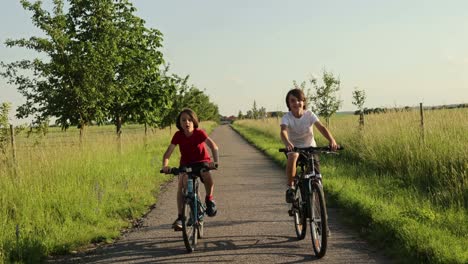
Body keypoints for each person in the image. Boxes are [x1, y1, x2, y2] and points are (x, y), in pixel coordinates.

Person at [162, 108, 219, 231]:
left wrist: (215, 163)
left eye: (189, 120)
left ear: (194, 122)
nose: (186, 122)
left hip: (202, 161)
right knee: (182, 182)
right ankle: (181, 217)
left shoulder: (199, 133)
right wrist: (165, 166)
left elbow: (214, 147)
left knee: (206, 174)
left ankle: (209, 199)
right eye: (183, 120)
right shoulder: (178, 135)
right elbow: (167, 154)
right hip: (186, 164)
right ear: (180, 123)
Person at [280, 88, 338, 203]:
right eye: (292, 101)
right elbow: (283, 131)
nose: (296, 103)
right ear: (288, 104)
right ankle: (291, 188)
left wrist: (332, 140)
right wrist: (287, 143)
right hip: (294, 147)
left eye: (299, 100)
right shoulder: (287, 117)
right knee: (293, 156)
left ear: (304, 102)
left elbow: (321, 127)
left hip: (310, 147)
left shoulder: (309, 114)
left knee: (316, 175)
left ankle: (316, 195)